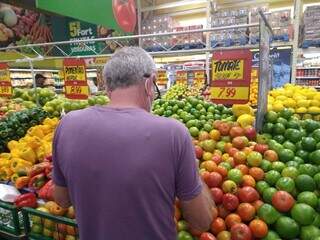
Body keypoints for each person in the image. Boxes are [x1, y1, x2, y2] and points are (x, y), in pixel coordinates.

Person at [53, 47, 215, 240]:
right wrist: (192, 172)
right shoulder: (173, 133)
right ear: (149, 84)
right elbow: (201, 221)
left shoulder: (67, 125)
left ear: (106, 86)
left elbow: (61, 200)